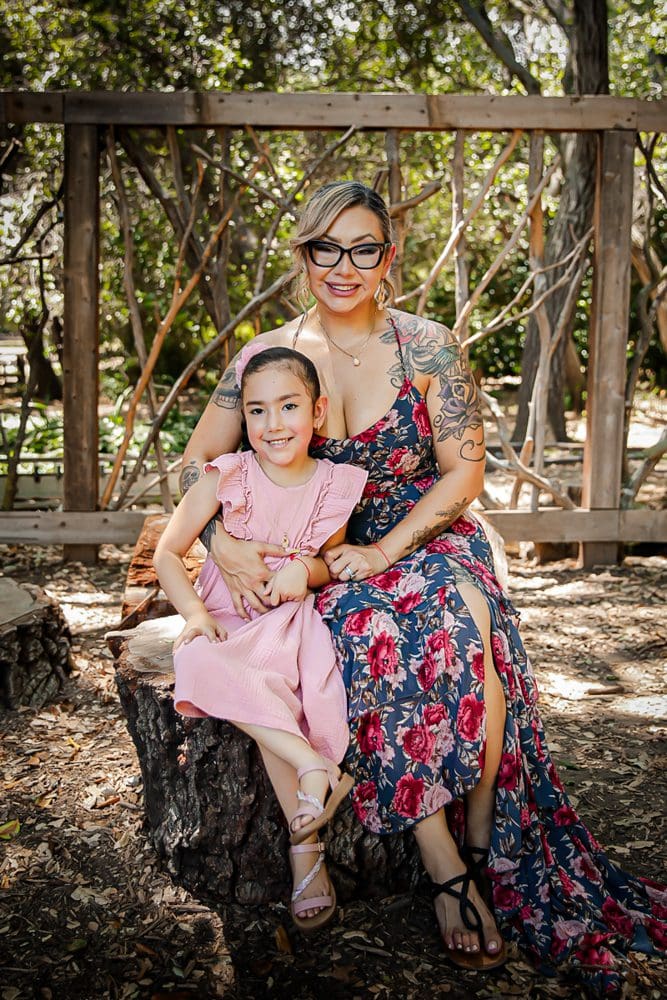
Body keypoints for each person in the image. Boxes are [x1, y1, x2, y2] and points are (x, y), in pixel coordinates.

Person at [180, 181, 666, 990]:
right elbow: (197, 462)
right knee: (370, 633)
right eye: (325, 248)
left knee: (460, 615)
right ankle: (444, 860)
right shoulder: (265, 357)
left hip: (421, 529)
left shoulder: (428, 346)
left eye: (363, 248)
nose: (343, 266)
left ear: (388, 257)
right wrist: (221, 541)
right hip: (319, 548)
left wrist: (388, 551)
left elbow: (462, 476)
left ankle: (483, 837)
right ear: (303, 254)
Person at [154, 346, 368, 932]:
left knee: (274, 687)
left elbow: (325, 562)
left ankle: (306, 850)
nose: (273, 424)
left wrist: (305, 569)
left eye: (289, 406)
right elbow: (168, 552)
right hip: (226, 616)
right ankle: (312, 770)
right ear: (242, 416)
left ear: (318, 411)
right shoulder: (228, 476)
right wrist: (194, 614)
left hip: (285, 619)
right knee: (200, 661)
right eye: (256, 410)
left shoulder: (333, 485)